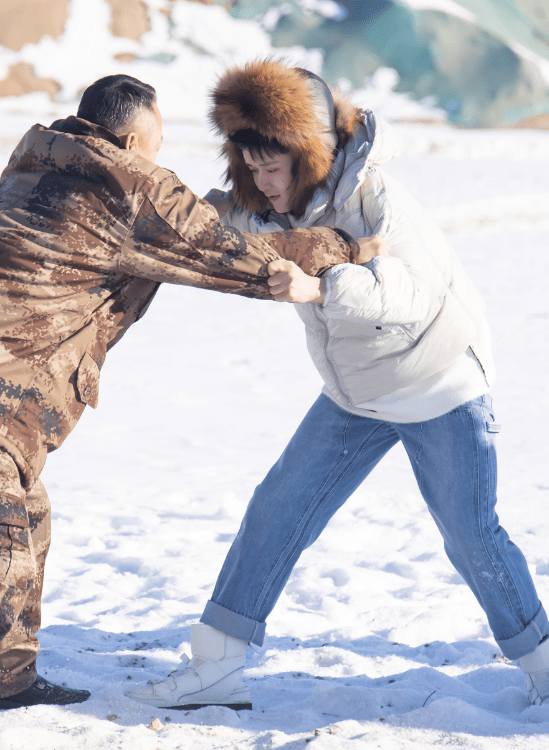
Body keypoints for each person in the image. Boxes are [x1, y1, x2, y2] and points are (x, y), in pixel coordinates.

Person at [127, 60, 549, 711]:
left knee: (470, 536)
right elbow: (218, 226)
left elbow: (412, 290)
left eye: (273, 168)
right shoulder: (267, 202)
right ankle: (217, 665)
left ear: (309, 154)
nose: (262, 184)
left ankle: (542, 661)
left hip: (437, 382)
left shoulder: (376, 196)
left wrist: (319, 287)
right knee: (277, 508)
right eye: (251, 168)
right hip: (354, 397)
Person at [0, 73, 375, 710]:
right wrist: (346, 245)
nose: (159, 155)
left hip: (19, 393)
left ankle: (10, 677)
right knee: (9, 528)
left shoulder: (33, 160)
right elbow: (239, 259)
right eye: (156, 142)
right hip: (10, 392)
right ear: (127, 138)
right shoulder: (129, 184)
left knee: (25, 519)